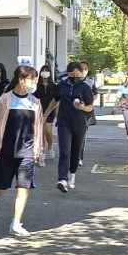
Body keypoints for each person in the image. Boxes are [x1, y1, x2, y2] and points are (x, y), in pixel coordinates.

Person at [0, 65, 44, 237]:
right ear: (21, 79)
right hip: (6, 151)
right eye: (33, 79)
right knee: (1, 187)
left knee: (23, 188)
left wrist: (38, 151)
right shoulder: (4, 100)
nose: (35, 82)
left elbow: (37, 128)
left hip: (27, 152)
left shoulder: (35, 102)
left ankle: (16, 224)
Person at [43, 61, 94, 193]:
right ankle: (62, 179)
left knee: (75, 153)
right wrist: (46, 114)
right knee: (64, 152)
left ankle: (72, 175)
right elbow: (55, 100)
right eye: (73, 74)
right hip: (64, 123)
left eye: (78, 74)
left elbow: (89, 107)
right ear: (68, 73)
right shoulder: (62, 86)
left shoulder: (85, 87)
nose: (75, 76)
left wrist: (83, 107)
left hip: (79, 124)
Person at [34, 65, 58, 160]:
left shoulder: (54, 86)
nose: (45, 72)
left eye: (47, 71)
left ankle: (50, 146)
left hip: (50, 111)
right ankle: (42, 151)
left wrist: (55, 112)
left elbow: (57, 100)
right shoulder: (36, 86)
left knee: (48, 130)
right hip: (38, 111)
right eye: (43, 70)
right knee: (41, 132)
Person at [78, 61, 98, 165]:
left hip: (86, 112)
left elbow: (95, 94)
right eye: (81, 68)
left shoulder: (90, 82)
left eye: (85, 68)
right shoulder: (72, 81)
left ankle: (79, 157)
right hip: (74, 111)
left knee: (82, 134)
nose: (83, 70)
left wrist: (88, 100)